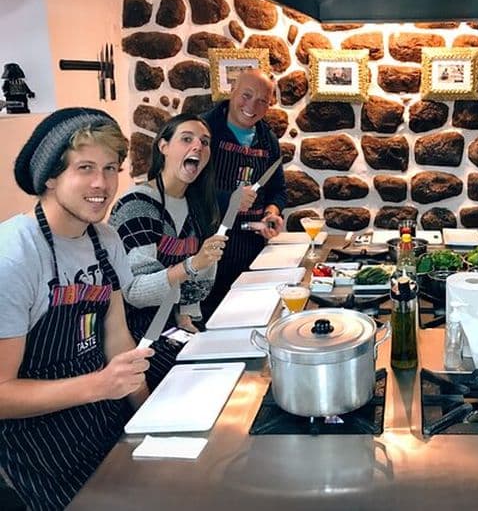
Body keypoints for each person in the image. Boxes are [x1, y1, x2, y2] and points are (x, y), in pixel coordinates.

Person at [0, 108, 153, 510]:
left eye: (110, 168)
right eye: (85, 168)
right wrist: (99, 385)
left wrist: (150, 416)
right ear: (50, 177)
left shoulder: (106, 240)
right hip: (38, 447)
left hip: (102, 421)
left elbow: (118, 341)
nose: (101, 184)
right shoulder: (14, 255)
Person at [109, 113, 226, 390]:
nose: (198, 146)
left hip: (173, 326)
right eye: (186, 139)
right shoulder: (137, 205)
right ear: (163, 146)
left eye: (205, 142)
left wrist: (186, 316)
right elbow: (136, 292)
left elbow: (196, 289)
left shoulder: (198, 207)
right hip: (134, 333)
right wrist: (191, 265)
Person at [201, 68, 287, 318]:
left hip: (252, 250)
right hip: (208, 250)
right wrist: (229, 200)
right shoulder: (203, 131)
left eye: (262, 101)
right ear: (232, 91)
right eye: (246, 95)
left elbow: (278, 190)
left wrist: (271, 214)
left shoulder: (268, 140)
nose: (252, 106)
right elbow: (185, 188)